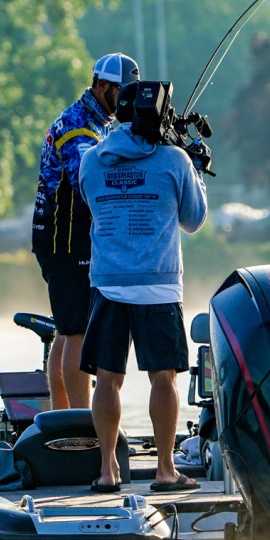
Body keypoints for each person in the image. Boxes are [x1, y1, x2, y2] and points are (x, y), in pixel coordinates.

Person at [78, 82, 208, 493]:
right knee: (163, 379)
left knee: (106, 379)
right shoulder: (175, 160)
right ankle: (166, 470)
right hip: (159, 287)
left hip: (108, 283)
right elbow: (194, 220)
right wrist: (195, 170)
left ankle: (107, 471)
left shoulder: (91, 160)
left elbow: (91, 205)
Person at [31, 53, 139, 410]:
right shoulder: (78, 126)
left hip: (71, 236)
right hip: (63, 239)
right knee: (75, 330)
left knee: (67, 330)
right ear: (103, 85)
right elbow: (88, 184)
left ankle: (61, 416)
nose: (129, 100)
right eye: (124, 92)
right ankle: (79, 421)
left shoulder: (100, 123)